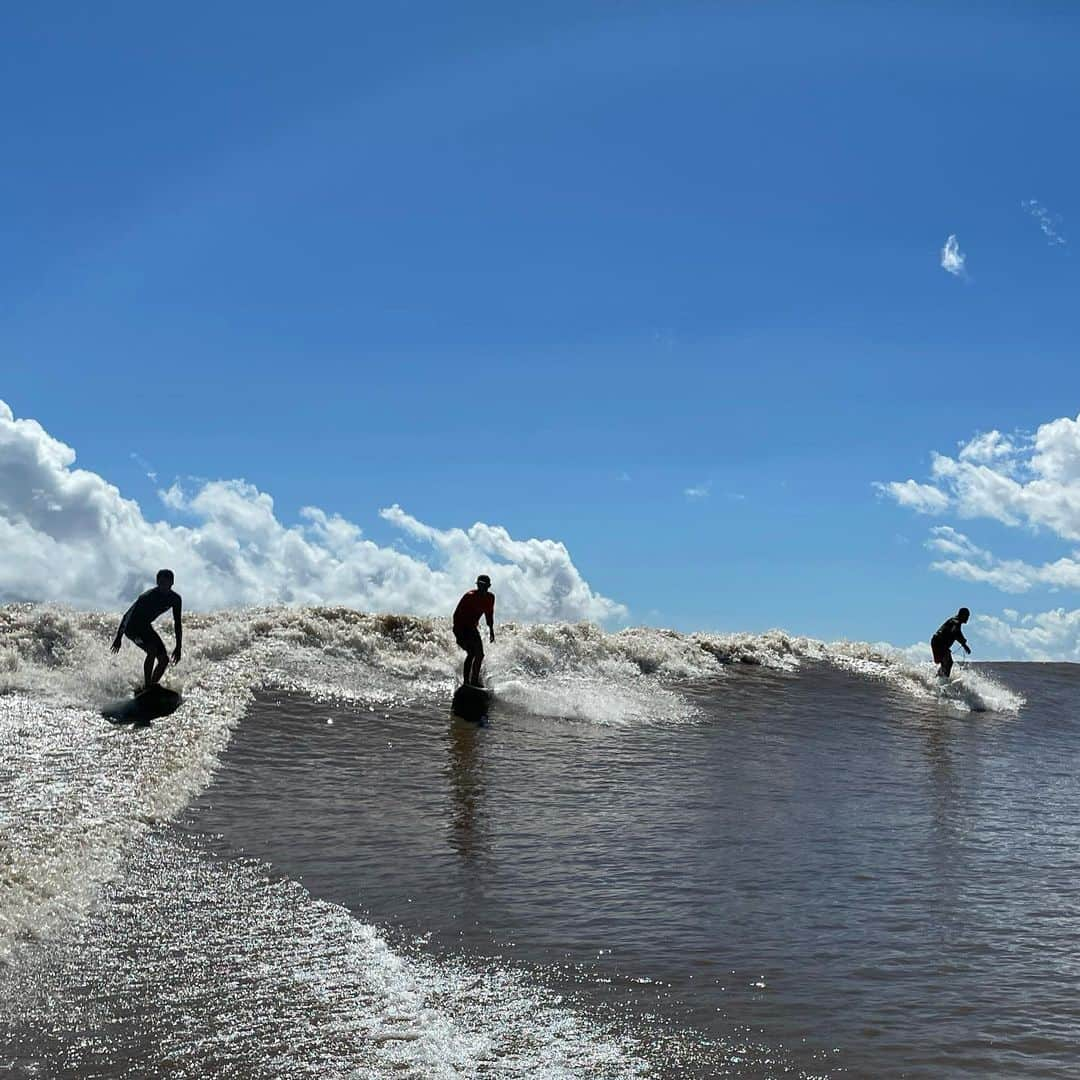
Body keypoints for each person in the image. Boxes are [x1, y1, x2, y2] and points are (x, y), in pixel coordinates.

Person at [111, 569, 183, 690]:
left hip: (145, 627)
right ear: (157, 582)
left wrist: (178, 646)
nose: (163, 586)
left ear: (172, 583)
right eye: (161, 583)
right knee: (152, 650)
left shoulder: (175, 599)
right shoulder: (147, 597)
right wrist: (119, 637)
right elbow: (127, 615)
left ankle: (149, 688)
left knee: (164, 660)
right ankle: (148, 685)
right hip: (132, 628)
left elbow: (177, 624)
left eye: (166, 583)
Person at [453, 575, 495, 687]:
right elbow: (456, 615)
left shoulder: (490, 598)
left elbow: (489, 614)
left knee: (480, 655)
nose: (482, 588)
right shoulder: (469, 596)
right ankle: (466, 682)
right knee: (471, 653)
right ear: (477, 585)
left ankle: (474, 681)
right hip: (460, 628)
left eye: (485, 586)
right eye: (480, 585)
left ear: (489, 586)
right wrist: (458, 633)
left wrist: (491, 631)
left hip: (472, 628)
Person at [931, 607, 970, 678]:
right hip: (939, 643)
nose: (968, 618)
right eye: (967, 616)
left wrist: (964, 644)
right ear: (962, 615)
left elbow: (957, 632)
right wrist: (963, 643)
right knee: (949, 662)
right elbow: (955, 631)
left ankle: (937, 680)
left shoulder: (956, 621)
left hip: (937, 642)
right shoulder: (956, 621)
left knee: (945, 663)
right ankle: (943, 681)